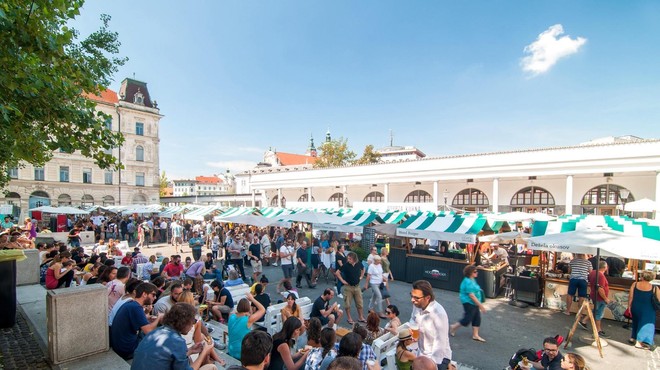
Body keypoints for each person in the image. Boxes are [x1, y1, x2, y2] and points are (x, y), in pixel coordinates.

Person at [131, 302, 221, 370]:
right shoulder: (177, 341)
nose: (193, 325)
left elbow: (168, 358)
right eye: (193, 321)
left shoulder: (156, 332)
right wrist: (204, 352)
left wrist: (190, 351)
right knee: (212, 367)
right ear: (184, 322)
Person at [111, 282, 163, 360]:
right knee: (159, 336)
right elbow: (148, 331)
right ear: (144, 294)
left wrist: (147, 318)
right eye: (153, 294)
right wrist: (159, 317)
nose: (155, 297)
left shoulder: (131, 304)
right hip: (127, 350)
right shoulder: (136, 307)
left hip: (119, 346)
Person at [409, 280, 452, 366]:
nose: (412, 300)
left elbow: (440, 344)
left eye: (416, 298)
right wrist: (411, 329)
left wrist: (431, 365)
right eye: (411, 296)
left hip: (439, 358)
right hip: (421, 352)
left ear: (428, 297)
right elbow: (412, 319)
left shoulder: (438, 314)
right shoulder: (417, 305)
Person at [449, 265, 487, 342]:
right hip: (468, 302)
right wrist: (481, 306)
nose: (477, 273)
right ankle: (453, 327)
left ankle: (475, 335)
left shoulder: (472, 279)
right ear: (470, 273)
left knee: (477, 317)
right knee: (468, 318)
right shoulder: (468, 282)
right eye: (475, 271)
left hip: (474, 302)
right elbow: (472, 296)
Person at [628, 270, 659, 349]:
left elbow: (631, 297)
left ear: (642, 276)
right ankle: (640, 342)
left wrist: (629, 307)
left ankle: (633, 337)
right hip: (648, 308)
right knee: (647, 325)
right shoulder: (654, 288)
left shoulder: (635, 284)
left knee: (636, 322)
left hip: (635, 306)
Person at [578, 261, 610, 338]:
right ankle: (598, 330)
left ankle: (584, 321)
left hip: (594, 294)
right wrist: (605, 298)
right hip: (599, 297)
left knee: (595, 310)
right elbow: (600, 288)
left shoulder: (593, 272)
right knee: (599, 313)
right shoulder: (601, 276)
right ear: (605, 267)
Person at [228, 294, 266, 359]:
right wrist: (252, 299)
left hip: (231, 350)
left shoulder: (231, 316)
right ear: (248, 308)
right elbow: (262, 309)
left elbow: (239, 314)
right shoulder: (248, 320)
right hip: (242, 353)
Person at [335, 252, 366, 324]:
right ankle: (349, 318)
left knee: (360, 303)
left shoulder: (358, 264)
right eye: (348, 258)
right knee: (347, 304)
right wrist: (342, 281)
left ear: (354, 259)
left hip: (357, 286)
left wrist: (361, 276)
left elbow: (363, 268)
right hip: (348, 287)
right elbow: (337, 272)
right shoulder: (346, 265)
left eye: (350, 259)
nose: (348, 260)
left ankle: (360, 317)